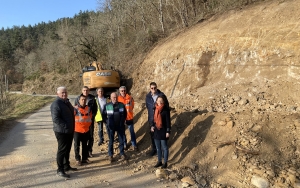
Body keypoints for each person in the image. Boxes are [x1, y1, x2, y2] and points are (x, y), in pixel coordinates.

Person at [50, 86, 77, 178]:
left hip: (69, 130)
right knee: (62, 150)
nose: (64, 94)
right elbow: (56, 119)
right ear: (57, 94)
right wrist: (66, 126)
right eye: (62, 93)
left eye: (65, 92)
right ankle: (60, 169)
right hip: (61, 131)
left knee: (67, 149)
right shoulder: (56, 104)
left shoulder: (67, 102)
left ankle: (66, 166)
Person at [103, 92, 127, 163]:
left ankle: (122, 153)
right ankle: (110, 155)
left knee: (121, 140)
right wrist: (107, 122)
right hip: (111, 126)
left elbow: (125, 114)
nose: (115, 99)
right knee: (111, 140)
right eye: (113, 97)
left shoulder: (121, 105)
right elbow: (103, 115)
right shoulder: (107, 106)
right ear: (110, 98)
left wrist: (122, 121)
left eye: (116, 97)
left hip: (120, 126)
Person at [145, 82, 168, 156]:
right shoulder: (148, 97)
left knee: (161, 134)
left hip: (161, 118)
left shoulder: (161, 95)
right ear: (150, 89)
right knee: (153, 135)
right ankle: (154, 149)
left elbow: (166, 106)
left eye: (155, 88)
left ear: (157, 87)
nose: (153, 89)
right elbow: (148, 107)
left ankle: (162, 150)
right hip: (152, 118)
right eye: (152, 88)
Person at [74, 86, 97, 158]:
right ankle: (79, 156)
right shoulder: (78, 98)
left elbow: (95, 109)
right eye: (84, 90)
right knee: (79, 141)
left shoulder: (92, 98)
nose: (85, 92)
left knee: (90, 136)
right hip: (79, 124)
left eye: (87, 90)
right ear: (82, 90)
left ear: (89, 91)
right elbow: (75, 110)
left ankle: (89, 151)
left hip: (89, 121)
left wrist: (91, 117)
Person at [151, 95, 171, 168]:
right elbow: (154, 120)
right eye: (158, 100)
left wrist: (168, 131)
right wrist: (152, 126)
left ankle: (165, 162)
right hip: (156, 130)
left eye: (161, 101)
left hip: (163, 131)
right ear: (156, 101)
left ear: (163, 101)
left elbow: (168, 122)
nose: (159, 102)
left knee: (164, 148)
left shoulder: (166, 110)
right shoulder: (155, 109)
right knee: (158, 148)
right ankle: (159, 161)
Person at [74, 94, 92, 166]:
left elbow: (90, 118)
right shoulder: (75, 109)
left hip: (86, 130)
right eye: (82, 100)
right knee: (77, 145)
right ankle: (78, 159)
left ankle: (84, 158)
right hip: (77, 130)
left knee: (85, 145)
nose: (83, 101)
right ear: (79, 101)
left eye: (85, 100)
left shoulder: (89, 109)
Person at [117, 86, 138, 151]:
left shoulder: (130, 98)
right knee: (122, 132)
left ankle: (134, 144)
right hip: (121, 119)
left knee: (132, 132)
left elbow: (132, 106)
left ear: (126, 91)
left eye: (124, 90)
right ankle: (124, 144)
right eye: (122, 91)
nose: (123, 92)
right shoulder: (117, 99)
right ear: (120, 92)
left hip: (129, 117)